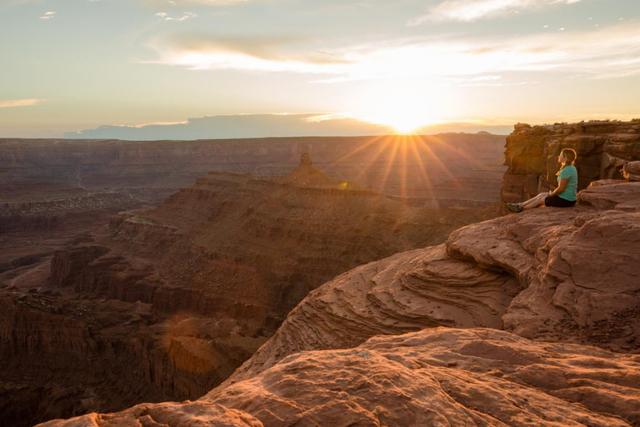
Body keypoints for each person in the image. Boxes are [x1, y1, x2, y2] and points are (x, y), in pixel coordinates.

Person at [506, 148, 578, 213]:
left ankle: (522, 209)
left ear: (565, 158)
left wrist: (552, 194)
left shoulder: (566, 170)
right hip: (570, 198)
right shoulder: (572, 167)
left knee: (541, 199)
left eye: (561, 155)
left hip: (565, 201)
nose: (559, 156)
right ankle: (520, 205)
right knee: (542, 194)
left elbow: (561, 189)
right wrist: (551, 193)